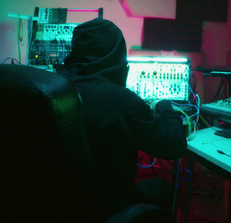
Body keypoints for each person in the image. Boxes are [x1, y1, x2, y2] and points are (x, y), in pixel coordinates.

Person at [61, 18, 187, 222]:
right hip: (107, 207)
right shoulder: (122, 101)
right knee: (161, 187)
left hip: (62, 204)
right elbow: (174, 146)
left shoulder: (53, 88)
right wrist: (166, 109)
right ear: (117, 56)